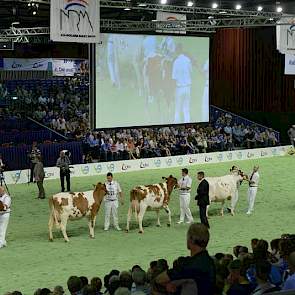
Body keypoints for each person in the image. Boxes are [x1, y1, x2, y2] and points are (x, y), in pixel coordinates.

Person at [156, 223, 216, 295]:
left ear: (191, 240)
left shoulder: (190, 265)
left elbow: (159, 279)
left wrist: (168, 285)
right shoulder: (209, 261)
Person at [172, 44, 192, 124]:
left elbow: (174, 77)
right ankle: (188, 124)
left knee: (177, 108)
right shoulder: (188, 60)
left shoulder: (176, 62)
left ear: (177, 51)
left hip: (179, 88)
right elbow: (191, 72)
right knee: (186, 109)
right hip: (187, 87)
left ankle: (176, 124)